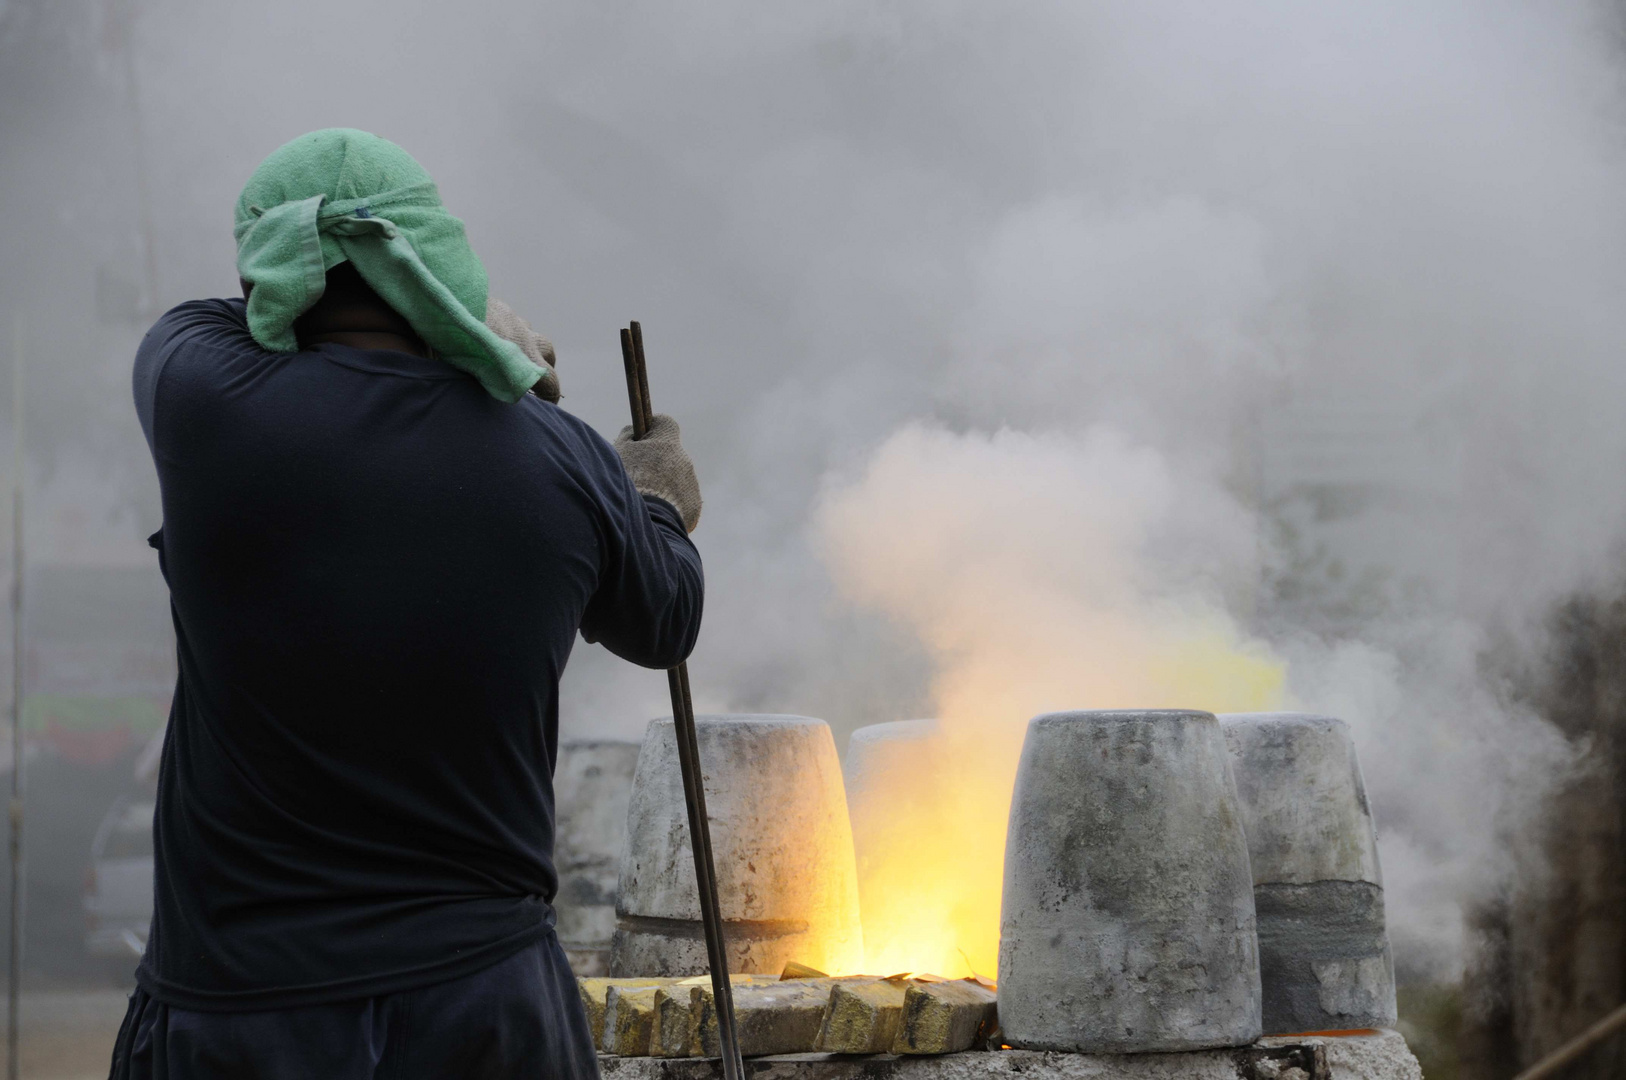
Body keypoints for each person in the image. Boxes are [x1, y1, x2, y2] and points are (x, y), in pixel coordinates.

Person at [108, 128, 704, 1079]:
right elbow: (665, 618)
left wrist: (456, 318)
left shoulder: (206, 403)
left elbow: (209, 318)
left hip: (243, 1012)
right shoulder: (563, 456)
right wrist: (657, 500)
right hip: (487, 1009)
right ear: (436, 255)